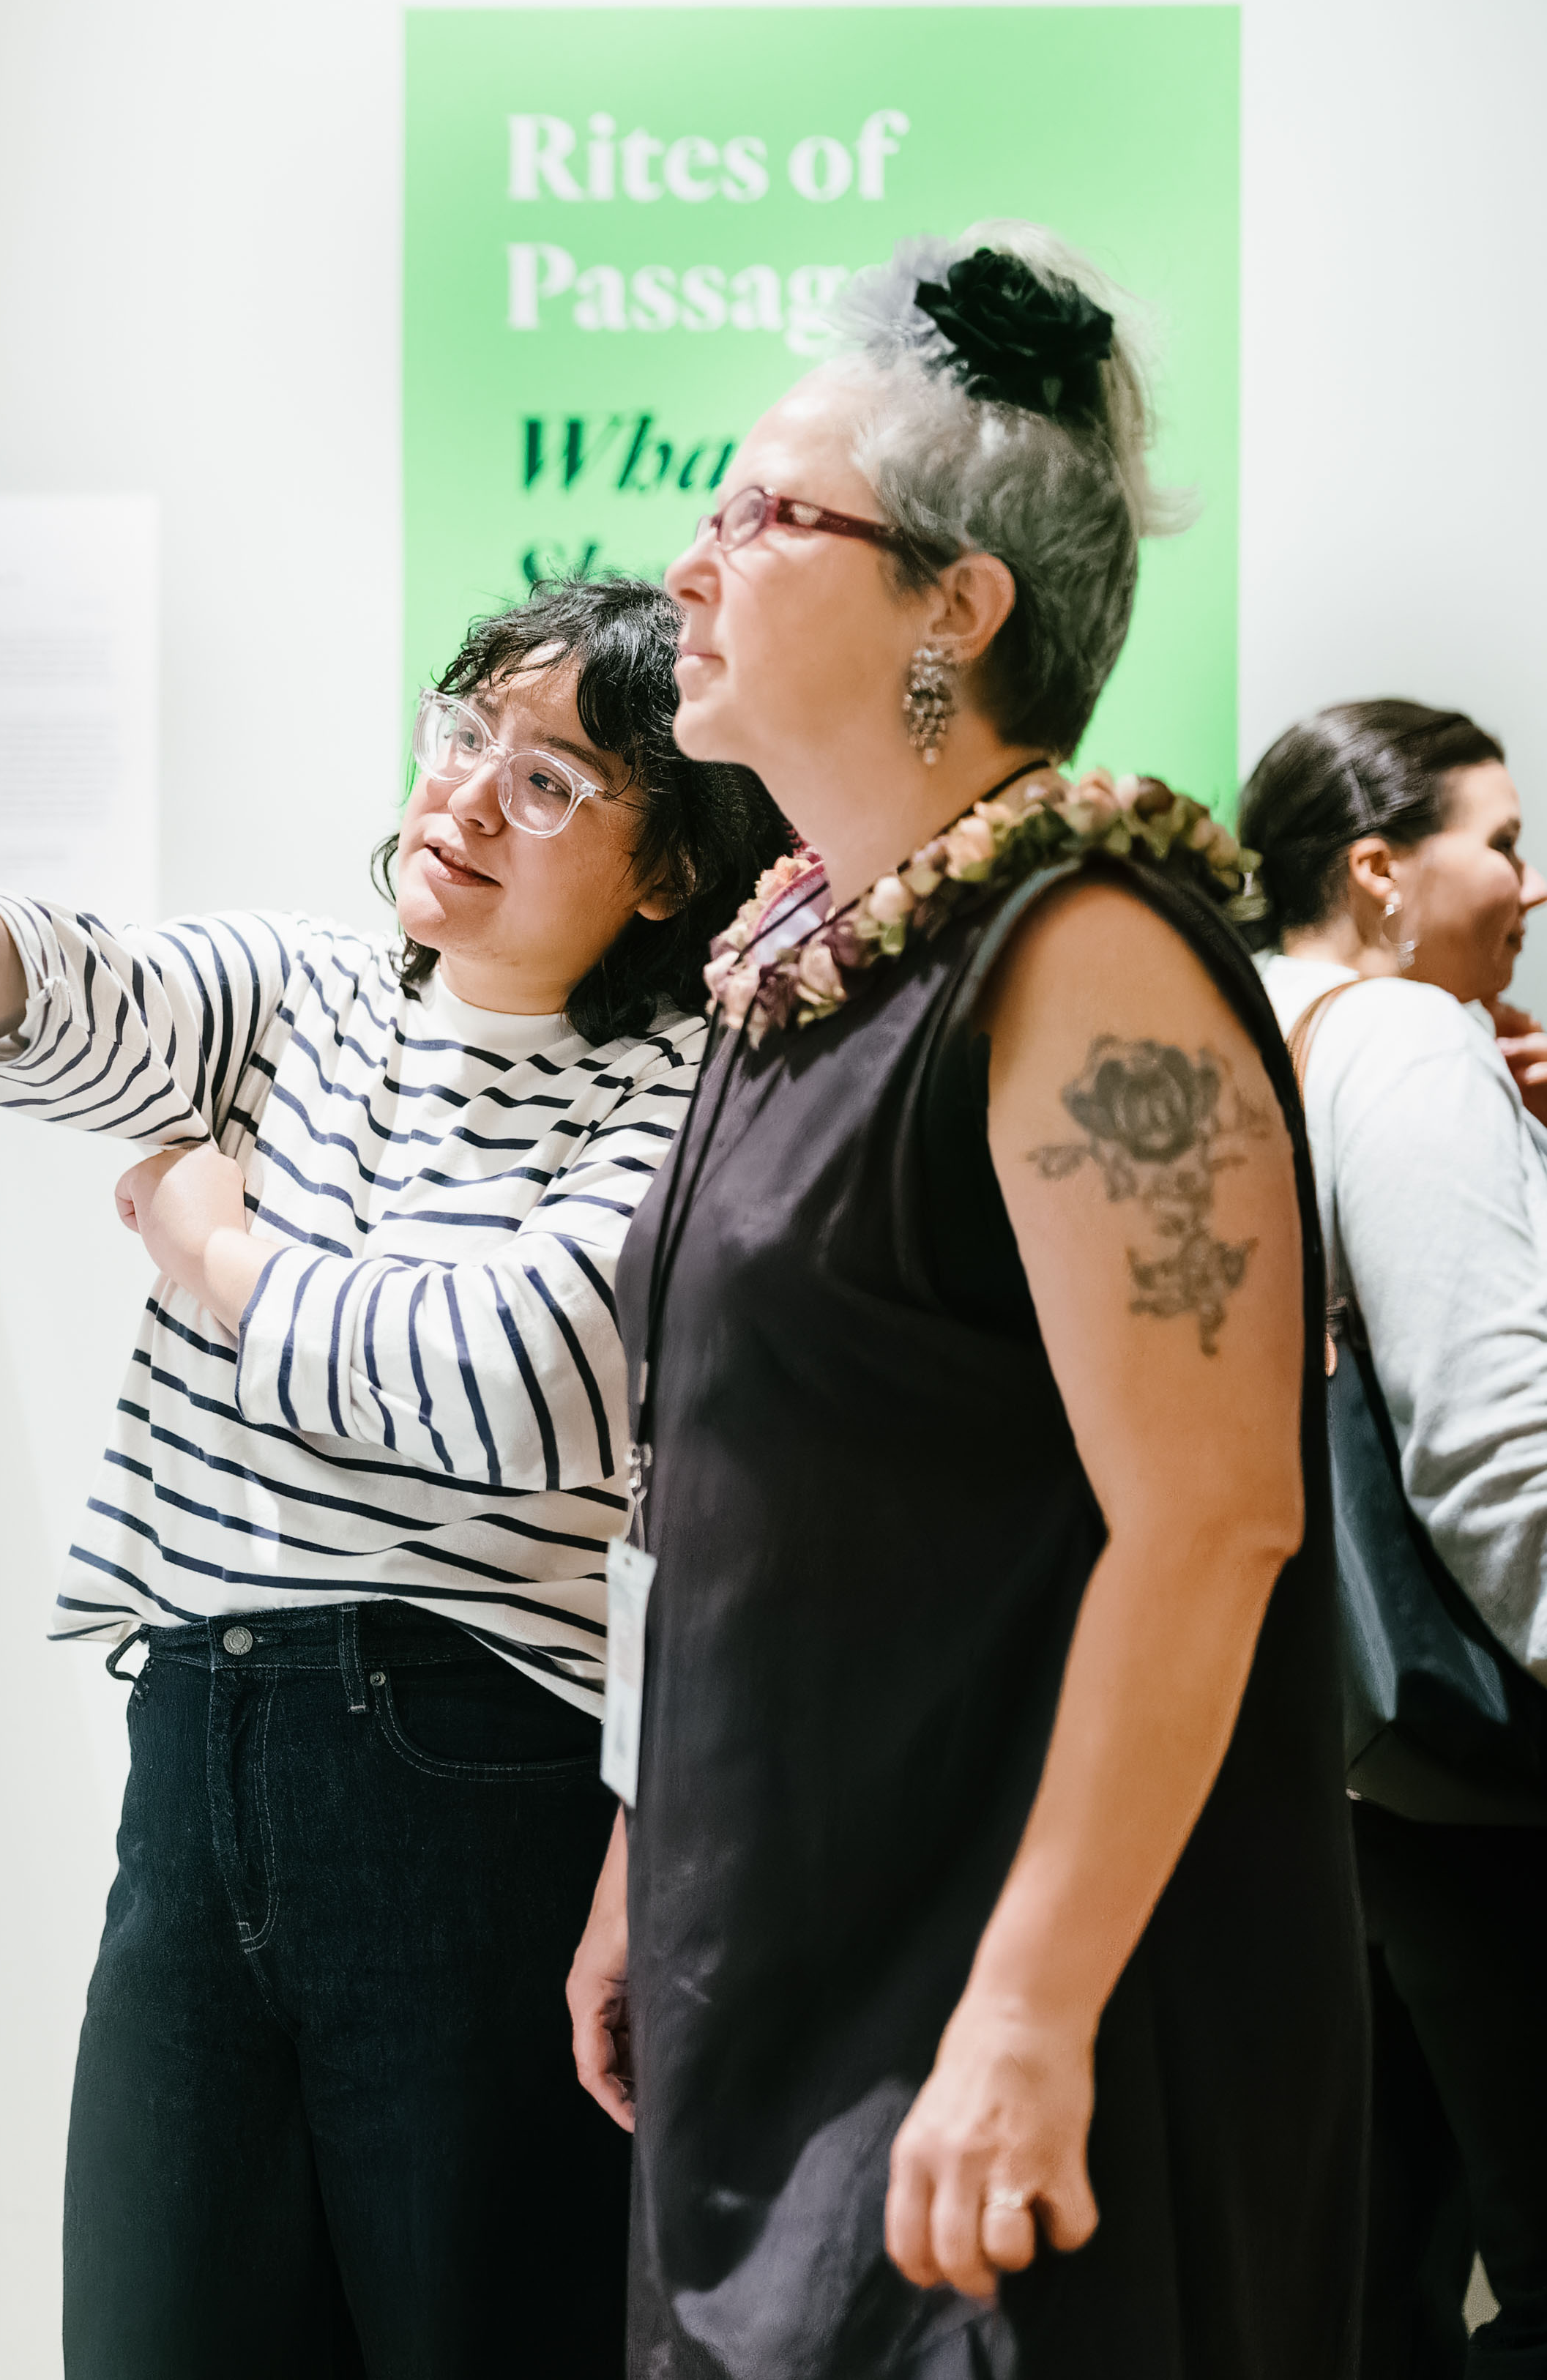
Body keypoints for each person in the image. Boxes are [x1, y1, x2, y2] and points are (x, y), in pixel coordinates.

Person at [0, 574, 791, 2379]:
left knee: (480, 2328)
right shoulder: (295, 991)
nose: (465, 793)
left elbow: (503, 1383)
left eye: (550, 780)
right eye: (462, 732)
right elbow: (79, 995)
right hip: (196, 1748)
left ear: (664, 870)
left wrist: (215, 1248)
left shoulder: (682, 1085)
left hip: (479, 1774)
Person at [567, 220, 1367, 2376]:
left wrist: (1030, 2003)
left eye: (761, 513)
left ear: (958, 602)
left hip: (1009, 2002)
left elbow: (1214, 1520)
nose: (693, 562)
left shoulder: (1082, 954)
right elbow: (721, 1489)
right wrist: (652, 1846)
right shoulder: (800, 963)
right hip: (789, 1950)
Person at [1240, 699, 1547, 2380]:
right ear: (1374, 868)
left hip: (1315, 1757)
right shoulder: (1409, 1041)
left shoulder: (1229, 1029)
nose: (1528, 882)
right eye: (1498, 840)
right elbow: (1495, 1440)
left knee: (1358, 2291)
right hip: (1472, 1765)